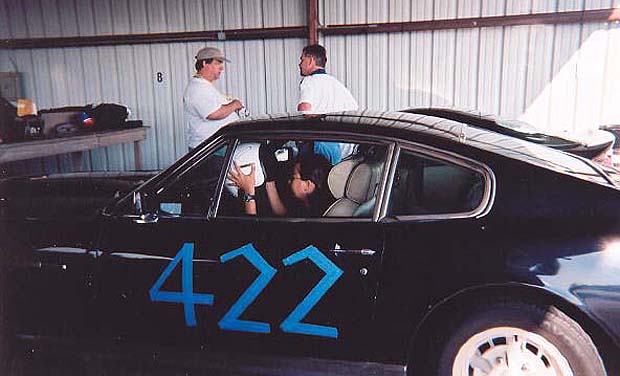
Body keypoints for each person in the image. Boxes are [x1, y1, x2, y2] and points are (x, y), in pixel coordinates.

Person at [227, 148, 334, 218]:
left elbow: (253, 231)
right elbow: (283, 214)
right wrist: (270, 181)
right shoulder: (308, 208)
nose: (289, 181)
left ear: (308, 186)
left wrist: (249, 192)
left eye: (293, 177)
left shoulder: (309, 221)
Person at [297, 44, 359, 163]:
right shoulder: (337, 85)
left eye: (302, 59)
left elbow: (304, 110)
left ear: (310, 61)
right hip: (347, 154)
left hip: (323, 150)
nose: (299, 64)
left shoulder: (309, 81)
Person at [183, 46, 244, 151]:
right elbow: (213, 113)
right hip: (209, 148)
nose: (221, 68)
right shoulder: (198, 88)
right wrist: (234, 104)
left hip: (216, 145)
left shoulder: (204, 86)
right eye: (217, 63)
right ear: (204, 63)